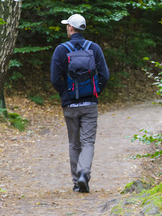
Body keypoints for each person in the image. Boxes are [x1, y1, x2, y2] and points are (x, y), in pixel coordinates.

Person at [50, 14, 109, 193]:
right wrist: (94, 91)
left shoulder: (61, 50)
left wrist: (65, 93)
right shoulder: (95, 48)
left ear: (70, 28)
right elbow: (104, 76)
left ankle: (77, 182)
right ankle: (84, 173)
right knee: (88, 142)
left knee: (74, 143)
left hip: (70, 105)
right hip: (90, 103)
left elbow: (54, 78)